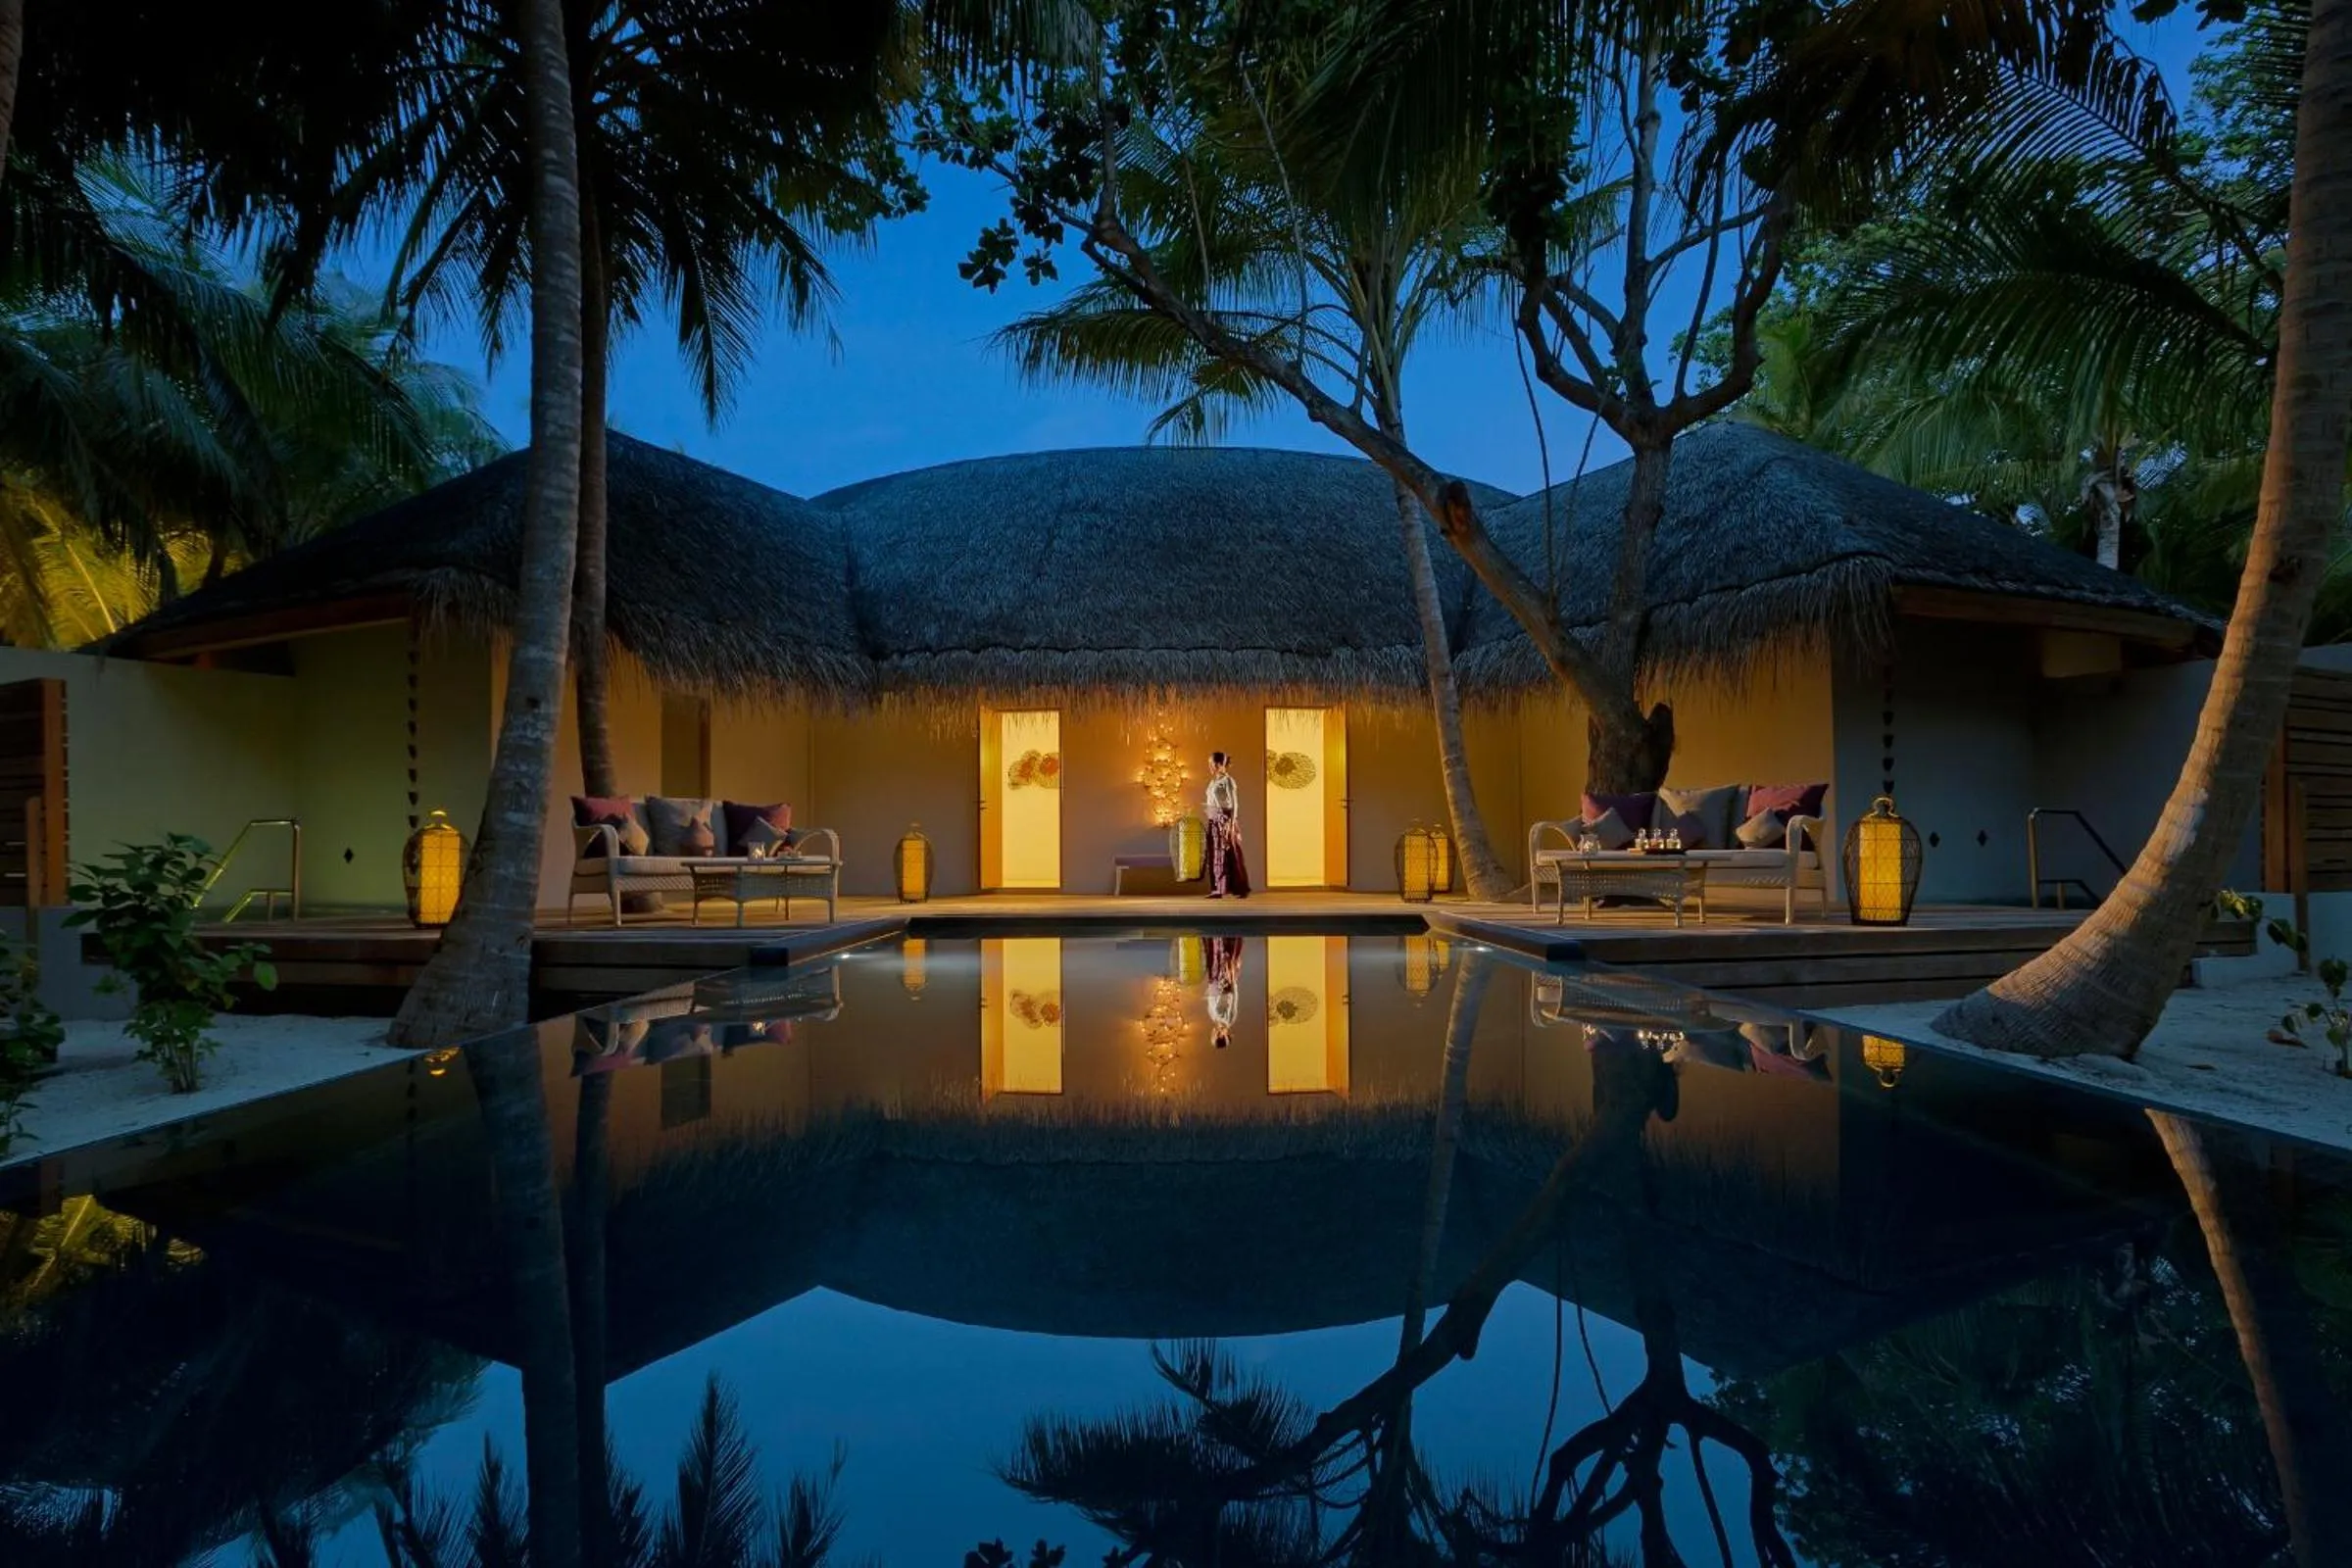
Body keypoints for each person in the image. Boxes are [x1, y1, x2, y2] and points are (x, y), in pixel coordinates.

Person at [1203, 751, 1251, 899]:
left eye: (1211, 764)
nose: (1210, 767)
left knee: (1231, 852)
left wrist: (1231, 823)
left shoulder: (1228, 781)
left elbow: (1234, 803)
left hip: (1225, 819)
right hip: (1214, 818)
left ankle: (1241, 887)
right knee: (1215, 853)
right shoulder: (1213, 782)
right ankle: (1217, 888)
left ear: (1218, 764)